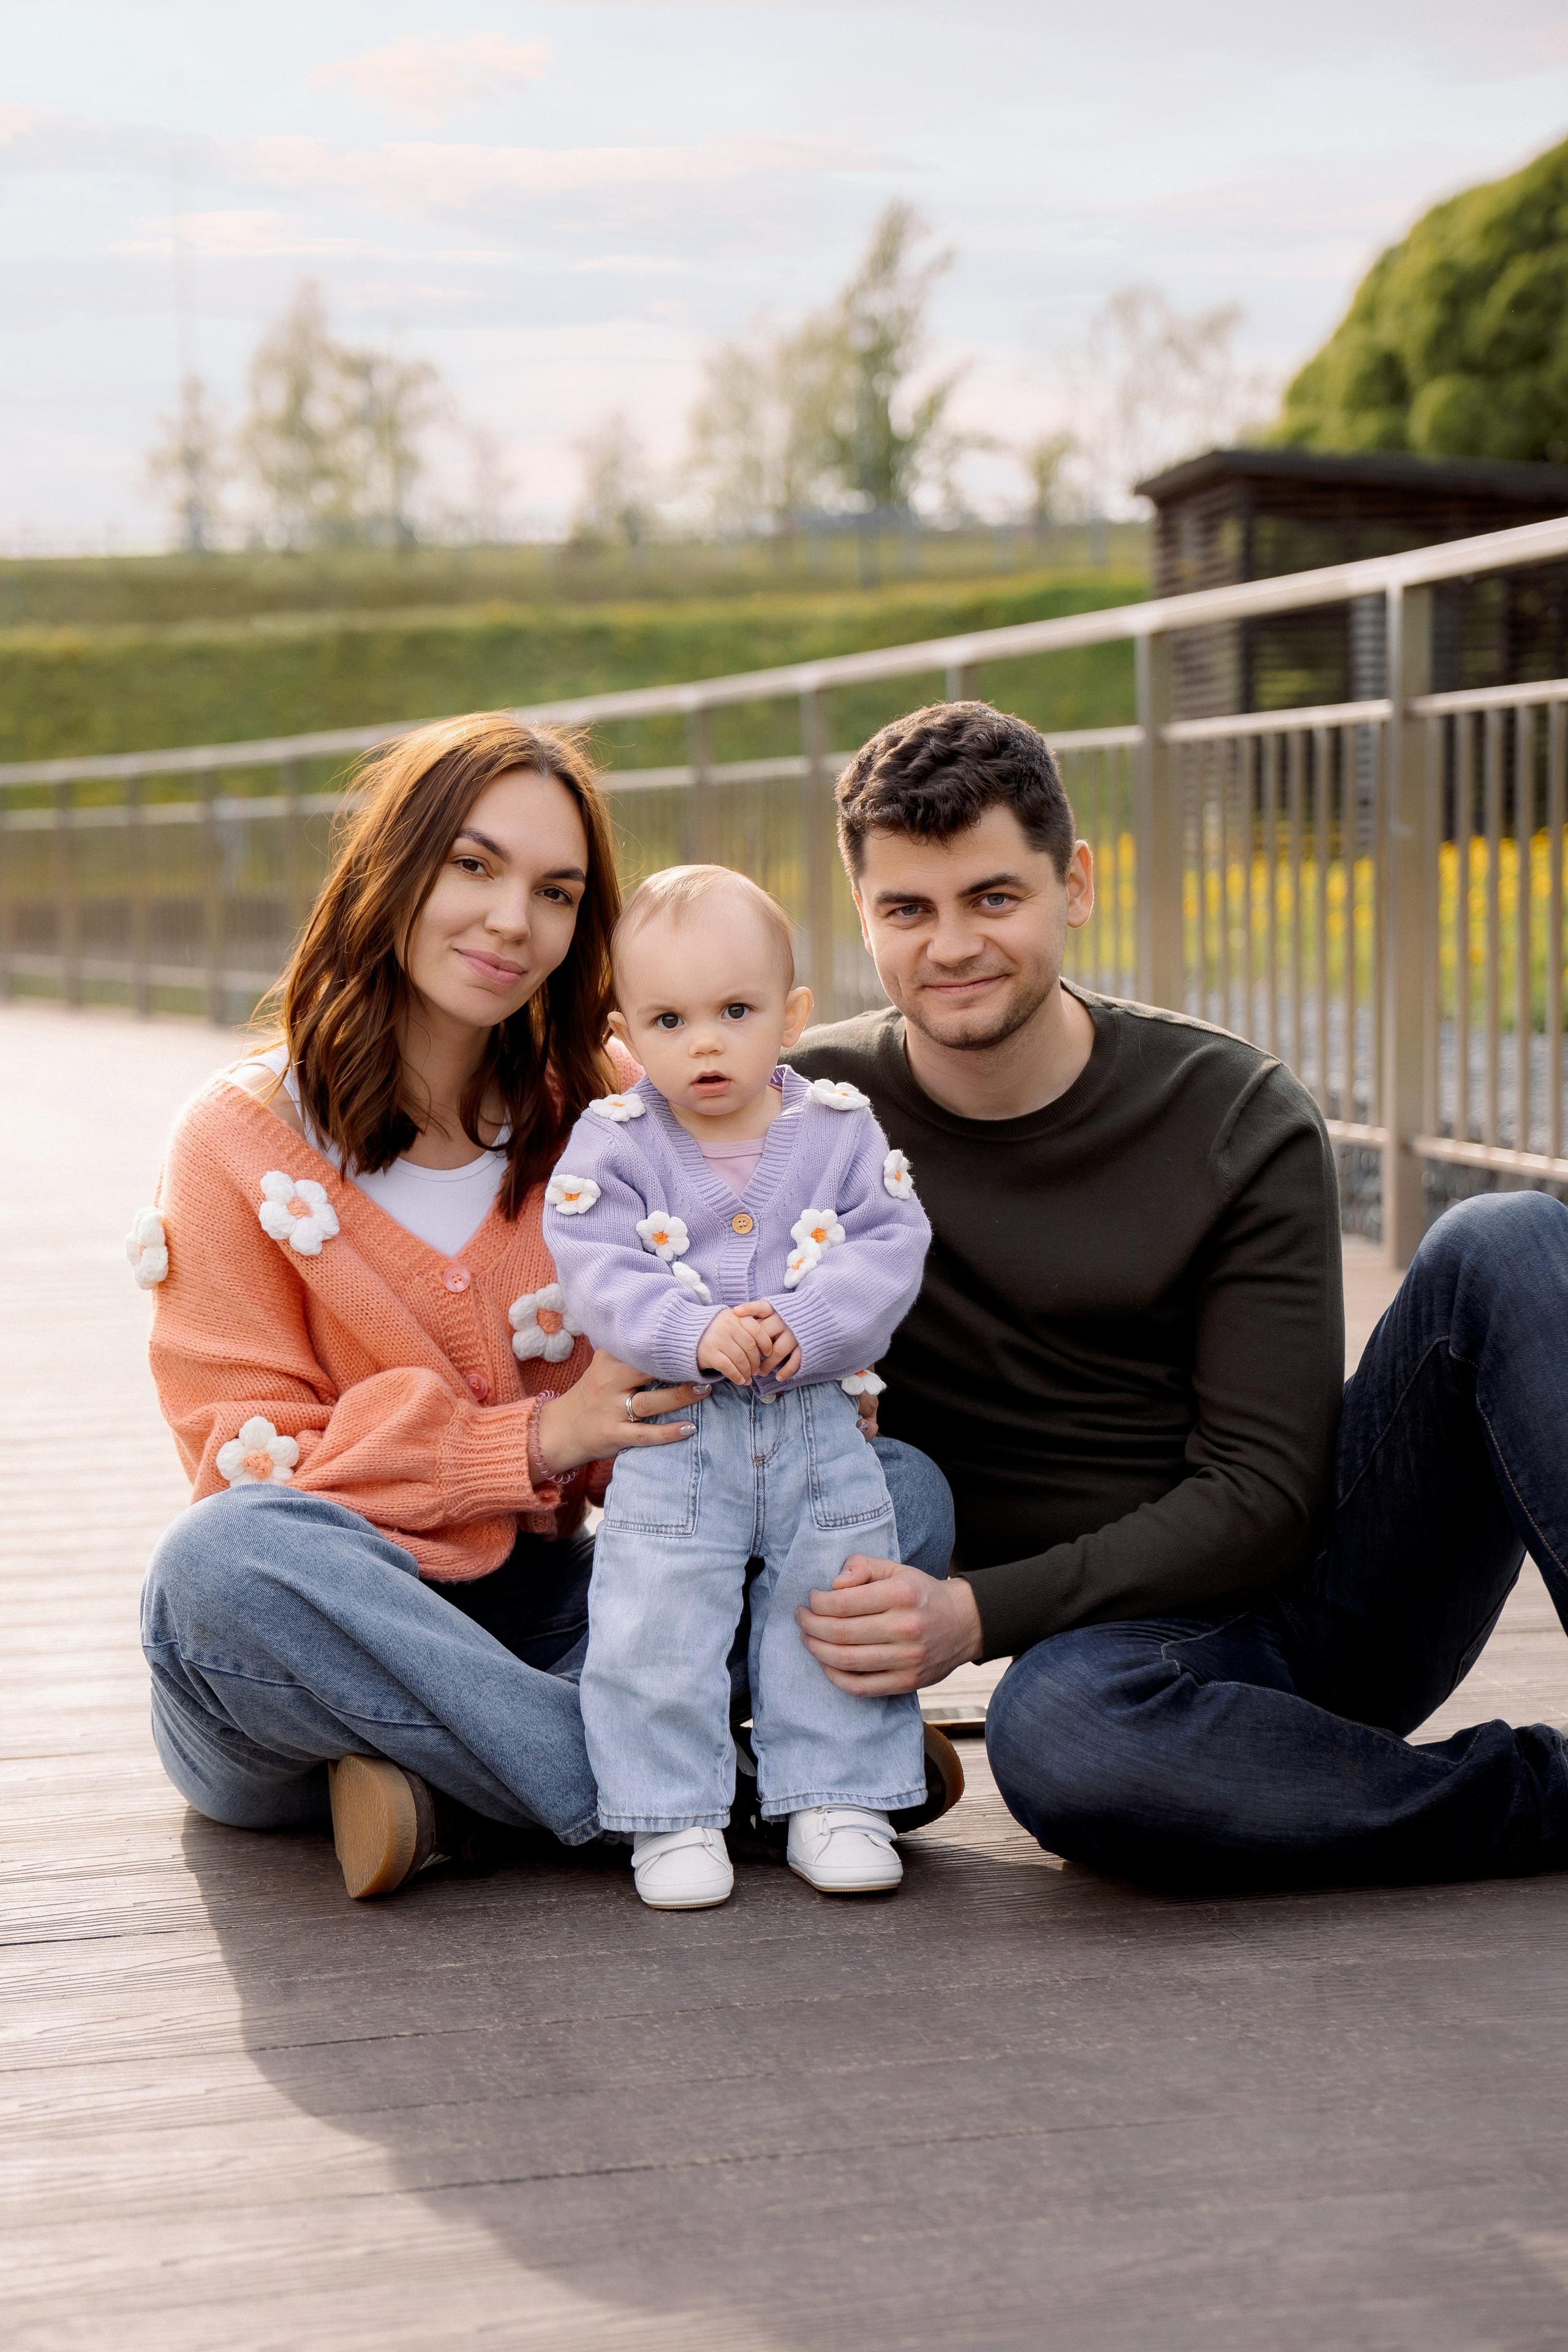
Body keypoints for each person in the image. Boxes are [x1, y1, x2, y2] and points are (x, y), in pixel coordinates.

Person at [134, 711, 954, 1902]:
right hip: (338, 1631)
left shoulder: (621, 1107)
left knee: (893, 1495)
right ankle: (712, 1791)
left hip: (577, 1611)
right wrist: (535, 1438)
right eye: (472, 866)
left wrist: (763, 1383)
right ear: (392, 869)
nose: (512, 920)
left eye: (556, 892)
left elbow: (707, 1372)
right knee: (215, 1567)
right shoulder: (237, 1140)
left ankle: (468, 1797)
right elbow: (243, 1460)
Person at [788, 699, 1568, 1891]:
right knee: (1060, 1739)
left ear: (1075, 884)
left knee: (1502, 1239)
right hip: (1116, 1663)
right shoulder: (805, 1117)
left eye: (993, 897)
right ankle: (1535, 1802)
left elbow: (1261, 1500)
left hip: (1317, 1594)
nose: (950, 946)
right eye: (908, 909)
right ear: (863, 915)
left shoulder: (1230, 1113)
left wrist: (971, 1614)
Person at [547, 865, 937, 1910]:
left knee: (830, 1596)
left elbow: (891, 1244)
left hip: (817, 1426)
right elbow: (594, 1265)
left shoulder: (840, 1130)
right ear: (628, 1029)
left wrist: (806, 1325)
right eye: (671, 1020)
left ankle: (838, 1795)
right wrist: (692, 1329)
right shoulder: (614, 1145)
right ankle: (670, 1815)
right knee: (654, 1620)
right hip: (680, 1440)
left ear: (791, 1016)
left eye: (735, 1011)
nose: (706, 1043)